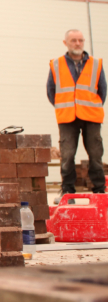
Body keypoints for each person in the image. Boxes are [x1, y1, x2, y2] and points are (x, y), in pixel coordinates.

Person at [48, 29, 106, 198]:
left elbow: (103, 90)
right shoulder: (56, 64)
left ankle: (99, 190)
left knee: (95, 155)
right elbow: (51, 91)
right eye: (73, 40)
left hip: (91, 116)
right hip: (67, 117)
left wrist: (92, 106)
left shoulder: (96, 64)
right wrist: (63, 106)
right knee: (67, 155)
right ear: (65, 43)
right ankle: (68, 191)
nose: (78, 43)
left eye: (80, 40)